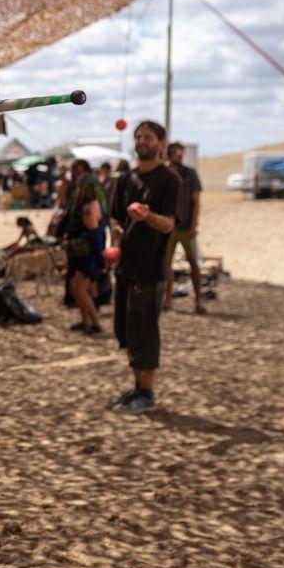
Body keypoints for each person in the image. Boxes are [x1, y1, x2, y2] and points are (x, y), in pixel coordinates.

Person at [107, 121, 178, 413]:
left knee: (145, 332)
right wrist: (115, 240)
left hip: (150, 269)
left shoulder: (170, 181)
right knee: (126, 331)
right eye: (138, 136)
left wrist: (147, 216)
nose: (142, 141)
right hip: (125, 266)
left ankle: (147, 394)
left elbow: (169, 224)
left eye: (148, 137)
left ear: (161, 143)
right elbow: (115, 220)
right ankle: (137, 388)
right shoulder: (124, 179)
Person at [64, 162, 107, 335]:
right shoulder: (86, 205)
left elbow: (93, 231)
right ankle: (86, 321)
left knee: (79, 289)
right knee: (78, 287)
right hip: (83, 252)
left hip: (88, 253)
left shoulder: (91, 206)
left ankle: (95, 323)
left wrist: (99, 258)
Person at [163, 142, 206, 313]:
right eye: (175, 153)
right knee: (167, 264)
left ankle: (198, 301)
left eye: (180, 153)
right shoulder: (164, 174)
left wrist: (194, 224)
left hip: (186, 225)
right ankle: (167, 300)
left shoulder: (190, 174)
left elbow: (196, 201)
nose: (178, 156)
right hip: (169, 226)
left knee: (193, 263)